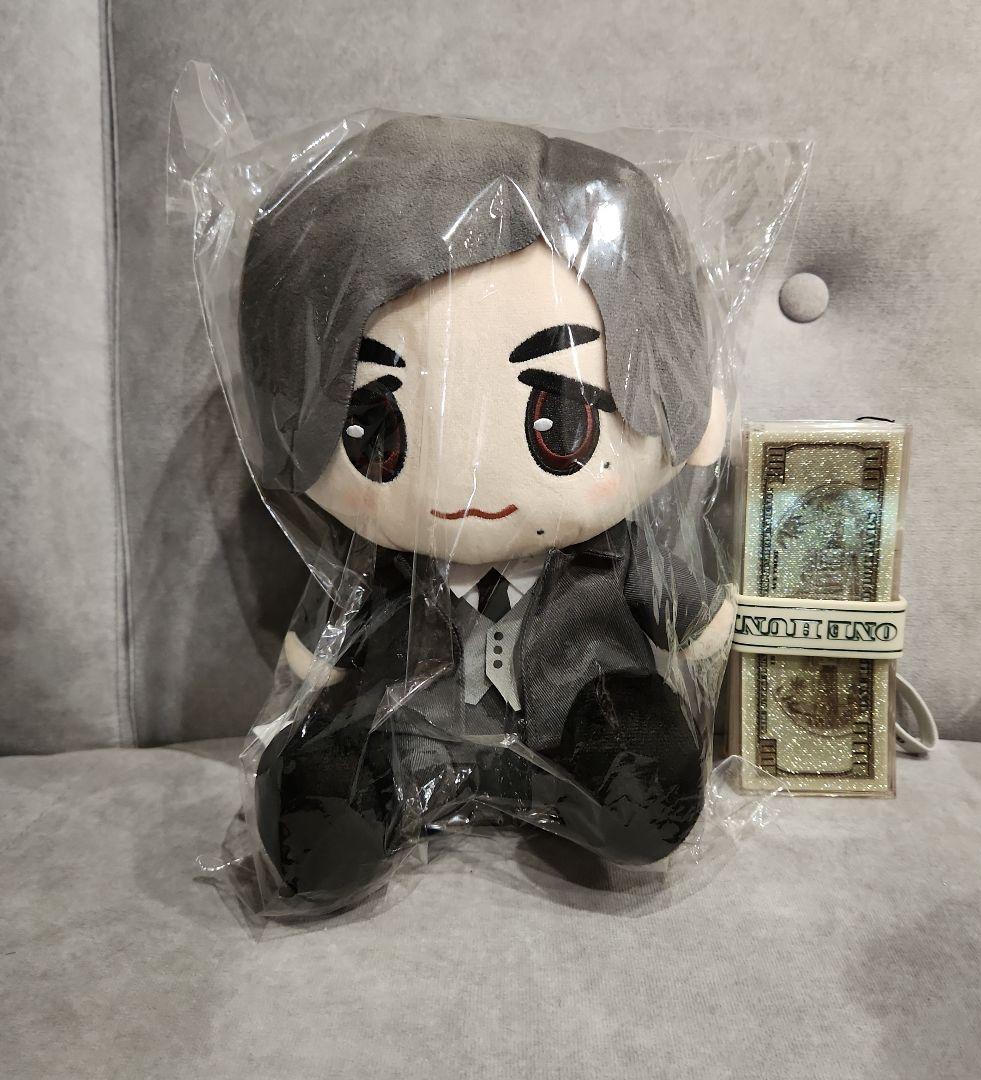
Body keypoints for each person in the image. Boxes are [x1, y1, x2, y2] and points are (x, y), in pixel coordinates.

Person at [239, 115, 733, 907]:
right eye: (375, 430)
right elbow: (330, 637)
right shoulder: (385, 568)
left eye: (557, 422)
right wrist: (312, 675)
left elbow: (686, 613)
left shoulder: (609, 556)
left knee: (637, 760)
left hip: (577, 733)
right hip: (414, 743)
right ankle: (348, 809)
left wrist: (708, 629)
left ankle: (614, 773)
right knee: (331, 783)